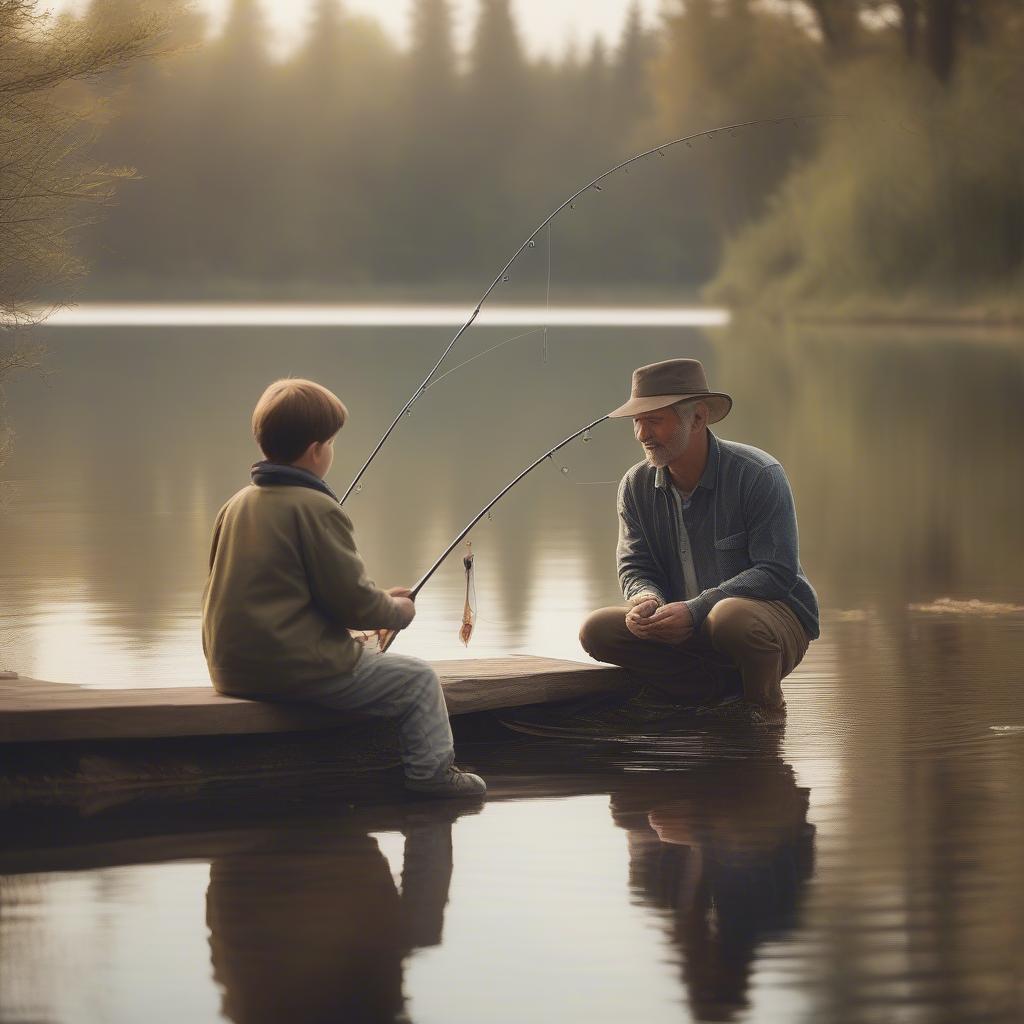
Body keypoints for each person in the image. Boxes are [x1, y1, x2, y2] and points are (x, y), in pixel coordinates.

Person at [201, 377, 486, 797]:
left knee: (364, 650)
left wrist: (379, 600)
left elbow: (272, 593)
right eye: (331, 443)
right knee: (419, 679)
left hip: (230, 669)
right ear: (317, 450)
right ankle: (432, 775)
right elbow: (353, 604)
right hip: (294, 670)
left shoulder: (236, 504)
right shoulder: (317, 507)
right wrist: (398, 612)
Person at [579, 358, 819, 726]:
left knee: (729, 617)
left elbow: (777, 571)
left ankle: (764, 711)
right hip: (683, 624)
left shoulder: (758, 474)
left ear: (698, 419)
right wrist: (647, 599)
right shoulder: (635, 485)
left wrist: (697, 608)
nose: (642, 433)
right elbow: (634, 566)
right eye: (637, 421)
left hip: (769, 622)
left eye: (654, 420)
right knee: (598, 629)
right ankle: (705, 696)